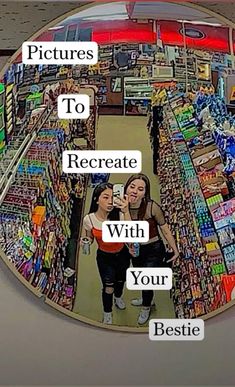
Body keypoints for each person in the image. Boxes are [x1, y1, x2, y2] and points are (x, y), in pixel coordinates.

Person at [124, 173, 180, 325]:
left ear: (145, 192)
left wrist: (175, 249)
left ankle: (146, 307)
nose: (135, 191)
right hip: (135, 250)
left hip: (153, 249)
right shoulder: (122, 208)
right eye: (132, 187)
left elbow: (165, 229)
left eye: (140, 189)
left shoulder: (152, 207)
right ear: (126, 188)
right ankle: (146, 298)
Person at [81, 183, 131, 325]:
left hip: (122, 254)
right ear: (96, 199)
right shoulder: (89, 219)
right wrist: (85, 241)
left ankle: (119, 297)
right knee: (108, 286)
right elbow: (89, 237)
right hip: (105, 257)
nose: (110, 201)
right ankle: (107, 312)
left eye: (112, 197)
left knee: (121, 280)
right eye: (105, 197)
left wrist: (126, 210)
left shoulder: (120, 215)